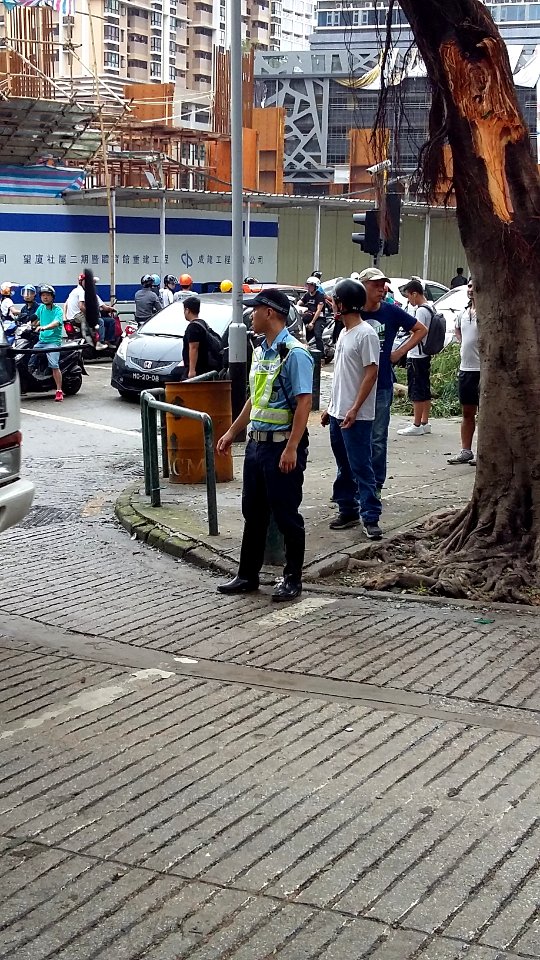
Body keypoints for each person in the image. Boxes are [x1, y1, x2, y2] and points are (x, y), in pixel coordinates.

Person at [216, 288, 314, 601]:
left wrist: (291, 448)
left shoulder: (294, 353)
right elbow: (255, 400)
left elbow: (304, 403)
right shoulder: (262, 351)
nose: (251, 315)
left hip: (281, 445)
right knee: (253, 512)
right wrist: (232, 432)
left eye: (255, 309)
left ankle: (292, 579)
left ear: (269, 313)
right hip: (257, 446)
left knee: (286, 514)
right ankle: (247, 576)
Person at [358, 267, 427, 498]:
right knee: (355, 438)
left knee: (377, 438)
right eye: (375, 285)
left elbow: (420, 329)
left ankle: (376, 485)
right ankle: (354, 485)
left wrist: (398, 353)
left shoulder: (390, 312)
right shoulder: (353, 312)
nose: (381, 289)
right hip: (355, 385)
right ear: (363, 286)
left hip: (382, 384)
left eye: (382, 285)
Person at [321, 278, 382, 539]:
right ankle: (348, 509)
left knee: (361, 466)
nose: (333, 305)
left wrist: (355, 408)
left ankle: (371, 516)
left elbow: (371, 373)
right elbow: (341, 376)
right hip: (338, 413)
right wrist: (330, 407)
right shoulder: (344, 333)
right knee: (344, 465)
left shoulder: (365, 334)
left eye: (335, 300)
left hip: (356, 416)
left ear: (342, 304)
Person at [448, 279, 480, 465]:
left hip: (483, 370)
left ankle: (483, 450)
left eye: (474, 285)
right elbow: (458, 331)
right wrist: (462, 343)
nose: (471, 289)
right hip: (466, 370)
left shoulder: (487, 314)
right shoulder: (463, 314)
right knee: (467, 412)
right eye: (469, 286)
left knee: (485, 414)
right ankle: (466, 450)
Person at [398, 278, 433, 436]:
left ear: (414, 294)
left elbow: (417, 331)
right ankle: (425, 422)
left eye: (408, 296)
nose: (408, 300)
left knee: (416, 389)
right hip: (425, 353)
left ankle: (416, 423)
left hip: (417, 354)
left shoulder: (420, 310)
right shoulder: (431, 307)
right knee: (425, 388)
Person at [31, 284, 64, 401]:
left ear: (52, 297)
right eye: (43, 295)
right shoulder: (40, 308)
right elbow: (34, 319)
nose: (45, 298)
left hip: (53, 342)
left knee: (54, 365)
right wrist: (26, 321)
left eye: (48, 295)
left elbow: (56, 323)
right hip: (41, 341)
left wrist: (44, 327)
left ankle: (59, 390)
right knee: (30, 358)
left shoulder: (58, 310)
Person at [65, 273, 113, 348]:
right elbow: (81, 306)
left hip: (72, 317)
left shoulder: (75, 291)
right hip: (77, 315)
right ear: (81, 282)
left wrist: (66, 317)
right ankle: (100, 342)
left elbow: (66, 304)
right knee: (100, 321)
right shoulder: (82, 291)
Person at [182, 295, 213, 379]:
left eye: (184, 310)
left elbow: (193, 348)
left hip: (197, 369)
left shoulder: (193, 327)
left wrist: (192, 370)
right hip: (204, 367)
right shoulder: (202, 323)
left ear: (187, 310)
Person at [297, 276, 326, 353]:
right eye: (308, 285)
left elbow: (318, 310)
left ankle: (321, 357)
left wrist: (312, 323)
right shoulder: (307, 295)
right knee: (303, 335)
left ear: (316, 286)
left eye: (311, 285)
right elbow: (300, 302)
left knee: (317, 335)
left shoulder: (320, 296)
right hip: (309, 317)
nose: (309, 287)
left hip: (318, 319)